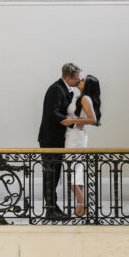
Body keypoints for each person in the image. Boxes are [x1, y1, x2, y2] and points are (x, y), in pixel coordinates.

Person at [38, 62, 82, 219]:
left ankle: (53, 208)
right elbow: (52, 113)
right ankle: (51, 210)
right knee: (50, 175)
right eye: (77, 78)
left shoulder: (65, 89)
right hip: (50, 139)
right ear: (68, 78)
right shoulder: (56, 89)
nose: (79, 80)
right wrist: (70, 120)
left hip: (57, 139)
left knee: (54, 175)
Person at [66, 74, 102, 216]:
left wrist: (74, 121)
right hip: (75, 135)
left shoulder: (85, 98)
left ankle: (84, 205)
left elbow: (93, 119)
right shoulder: (81, 97)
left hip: (75, 138)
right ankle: (80, 208)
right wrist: (78, 120)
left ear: (87, 85)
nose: (80, 80)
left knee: (71, 173)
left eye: (83, 80)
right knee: (77, 173)